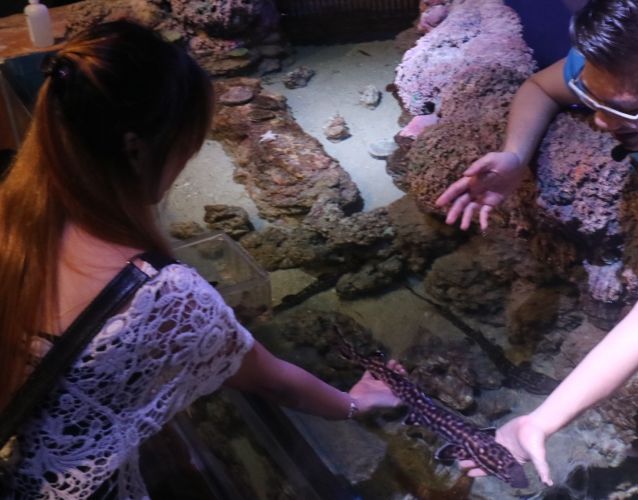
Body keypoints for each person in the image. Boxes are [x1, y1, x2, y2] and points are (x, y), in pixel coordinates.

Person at [0, 20, 401, 498]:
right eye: (184, 150)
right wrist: (356, 403)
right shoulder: (160, 294)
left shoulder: (14, 220)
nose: (181, 167)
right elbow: (274, 383)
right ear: (136, 150)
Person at [435, 0, 638, 486]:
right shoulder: (621, 62)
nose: (599, 121)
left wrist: (543, 419)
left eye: (621, 113)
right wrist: (516, 155)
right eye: (590, 97)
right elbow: (540, 86)